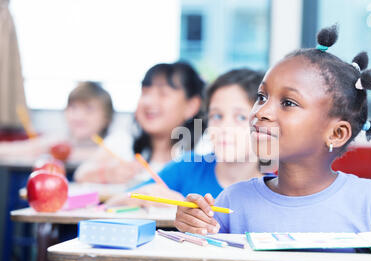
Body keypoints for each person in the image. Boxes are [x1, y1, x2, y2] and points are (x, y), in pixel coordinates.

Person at [174, 25, 371, 235]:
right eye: (261, 97)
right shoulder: (231, 202)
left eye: (288, 103)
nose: (261, 112)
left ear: (336, 134)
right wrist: (193, 228)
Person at [107, 69, 266, 207]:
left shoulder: (278, 183)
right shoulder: (187, 167)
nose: (224, 128)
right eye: (217, 116)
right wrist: (145, 195)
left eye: (240, 117)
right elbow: (112, 204)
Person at [74, 62, 205, 185]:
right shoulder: (123, 142)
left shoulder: (203, 151)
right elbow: (80, 175)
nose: (148, 101)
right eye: (145, 92)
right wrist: (107, 174)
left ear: (191, 106)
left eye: (163, 94)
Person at [0, 81, 114, 162]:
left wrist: (62, 153)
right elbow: (23, 148)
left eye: (89, 109)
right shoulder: (59, 140)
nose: (78, 116)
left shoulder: (114, 142)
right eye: (73, 107)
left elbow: (108, 156)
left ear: (106, 118)